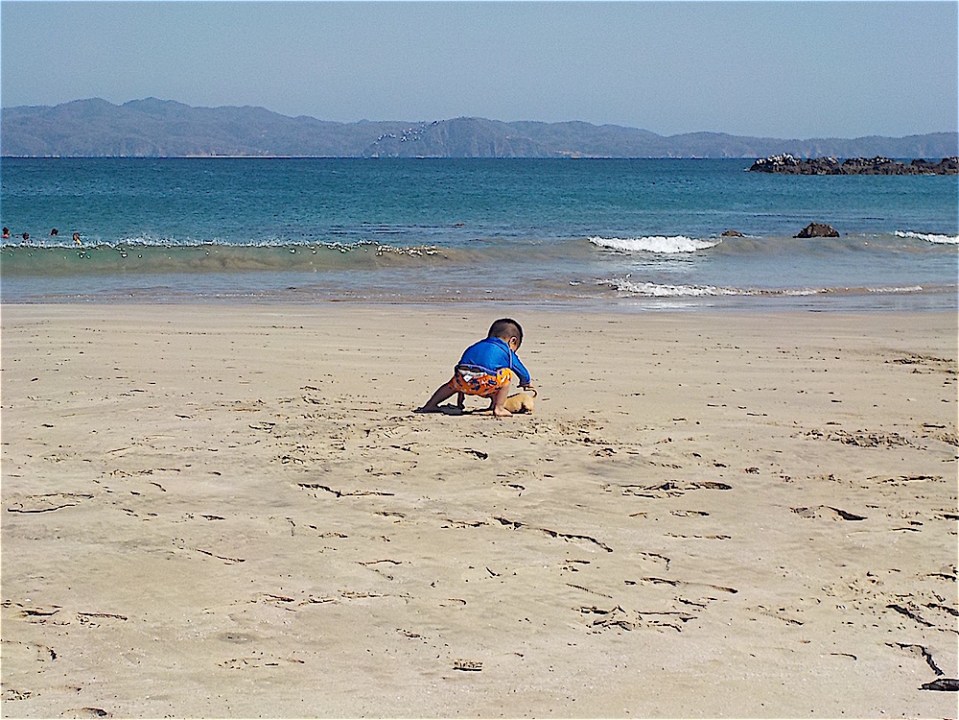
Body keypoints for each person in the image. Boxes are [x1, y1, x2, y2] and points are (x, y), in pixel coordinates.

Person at [416, 318, 534, 418]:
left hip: (462, 381)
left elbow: (462, 367)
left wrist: (460, 397)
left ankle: (430, 405)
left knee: (451, 385)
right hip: (484, 381)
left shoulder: (477, 345)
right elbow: (521, 370)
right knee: (506, 374)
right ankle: (498, 408)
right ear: (512, 341)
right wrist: (526, 382)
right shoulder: (507, 351)